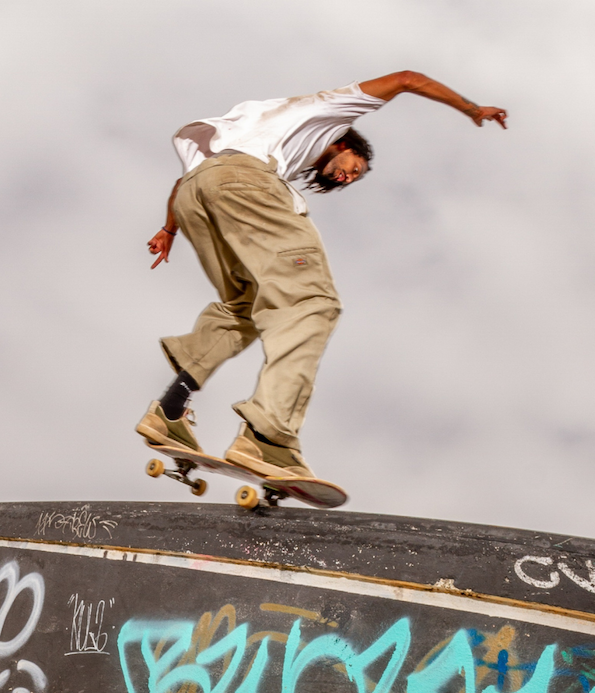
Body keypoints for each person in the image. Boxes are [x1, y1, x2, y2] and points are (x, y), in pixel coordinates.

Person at [139, 72, 507, 480]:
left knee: (243, 306)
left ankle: (169, 411)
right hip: (247, 185)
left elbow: (182, 182)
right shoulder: (331, 112)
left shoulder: (256, 130)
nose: (348, 176)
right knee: (312, 303)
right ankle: (268, 439)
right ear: (346, 144)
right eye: (355, 168)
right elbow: (407, 79)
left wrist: (169, 228)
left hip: (197, 192)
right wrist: (472, 109)